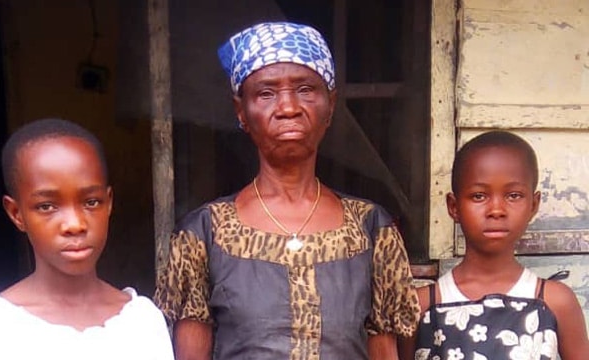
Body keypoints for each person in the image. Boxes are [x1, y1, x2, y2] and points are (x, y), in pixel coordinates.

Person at [155, 21, 420, 360]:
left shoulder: (371, 229)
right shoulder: (204, 234)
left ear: (330, 104)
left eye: (306, 89)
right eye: (266, 93)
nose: (288, 108)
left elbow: (384, 351)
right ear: (241, 111)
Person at [0, 119, 174, 360]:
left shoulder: (142, 321)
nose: (75, 224)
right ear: (17, 214)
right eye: (46, 206)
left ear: (109, 203)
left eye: (91, 202)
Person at [406, 131, 589, 360]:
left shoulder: (556, 302)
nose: (496, 210)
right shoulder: (422, 305)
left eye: (513, 196)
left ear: (533, 205)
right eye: (479, 196)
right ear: (453, 206)